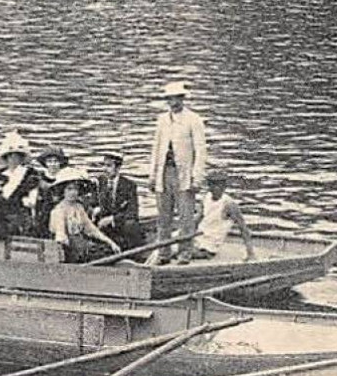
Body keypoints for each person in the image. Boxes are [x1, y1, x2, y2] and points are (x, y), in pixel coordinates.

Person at [149, 80, 208, 264]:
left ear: (182, 99)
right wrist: (152, 175)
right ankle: (164, 253)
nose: (173, 102)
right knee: (163, 217)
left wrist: (197, 177)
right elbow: (156, 148)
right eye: (170, 99)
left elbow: (201, 151)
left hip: (184, 174)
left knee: (185, 217)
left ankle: (185, 253)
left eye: (176, 98)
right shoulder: (162, 120)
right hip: (163, 173)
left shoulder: (194, 120)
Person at [48, 172, 122, 264]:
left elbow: (91, 229)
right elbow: (60, 236)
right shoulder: (59, 210)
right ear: (63, 191)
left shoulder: (79, 207)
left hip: (80, 244)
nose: (73, 192)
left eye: (75, 189)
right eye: (69, 189)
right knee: (98, 255)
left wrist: (110, 242)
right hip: (69, 249)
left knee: (108, 250)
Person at [194, 169, 256, 259]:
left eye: (219, 184)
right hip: (198, 238)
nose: (216, 187)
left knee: (180, 252)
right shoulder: (206, 198)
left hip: (210, 246)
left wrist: (250, 253)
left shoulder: (229, 204)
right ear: (209, 186)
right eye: (213, 184)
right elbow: (197, 220)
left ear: (224, 186)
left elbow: (243, 228)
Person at [90, 153, 143, 250]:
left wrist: (112, 219)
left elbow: (132, 212)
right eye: (104, 165)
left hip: (120, 224)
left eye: (109, 166)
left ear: (118, 168)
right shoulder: (98, 183)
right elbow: (92, 203)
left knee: (131, 224)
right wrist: (95, 209)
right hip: (102, 223)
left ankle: (131, 251)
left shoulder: (129, 185)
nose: (105, 169)